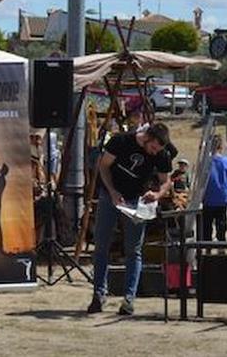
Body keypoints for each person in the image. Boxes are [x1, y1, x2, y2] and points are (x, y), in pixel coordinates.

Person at [88, 122, 176, 316]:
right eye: (152, 148)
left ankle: (129, 298)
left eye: (158, 150)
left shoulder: (161, 154)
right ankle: (98, 294)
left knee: (133, 249)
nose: (154, 153)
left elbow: (165, 181)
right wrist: (112, 191)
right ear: (147, 138)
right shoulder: (121, 141)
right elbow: (103, 166)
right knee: (102, 245)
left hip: (136, 201)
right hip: (111, 196)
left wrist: (157, 194)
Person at [202, 135, 227, 243]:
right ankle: (221, 246)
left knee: (206, 227)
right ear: (221, 146)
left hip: (208, 198)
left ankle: (207, 249)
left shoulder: (205, 163)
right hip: (222, 198)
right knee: (221, 225)